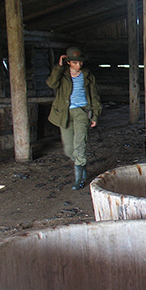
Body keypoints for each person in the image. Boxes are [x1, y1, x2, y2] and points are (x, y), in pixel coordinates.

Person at [47, 47, 101, 190]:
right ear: (69, 62)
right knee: (69, 149)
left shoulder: (87, 75)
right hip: (65, 113)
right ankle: (81, 166)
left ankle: (79, 180)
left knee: (79, 144)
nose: (78, 65)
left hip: (82, 112)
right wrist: (58, 67)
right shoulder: (62, 74)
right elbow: (51, 84)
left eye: (80, 63)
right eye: (75, 63)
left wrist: (95, 115)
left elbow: (94, 96)